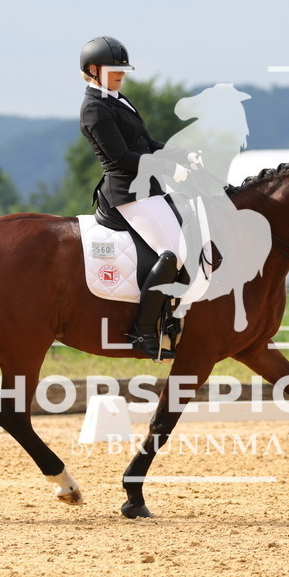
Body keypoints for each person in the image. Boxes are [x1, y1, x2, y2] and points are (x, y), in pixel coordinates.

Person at [79, 36, 187, 360]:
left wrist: (179, 154)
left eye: (123, 70)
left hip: (148, 188)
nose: (121, 75)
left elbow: (144, 141)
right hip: (127, 192)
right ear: (93, 70)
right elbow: (123, 156)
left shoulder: (117, 99)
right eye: (115, 70)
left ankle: (173, 322)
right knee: (173, 254)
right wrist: (168, 166)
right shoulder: (94, 108)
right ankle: (142, 333)